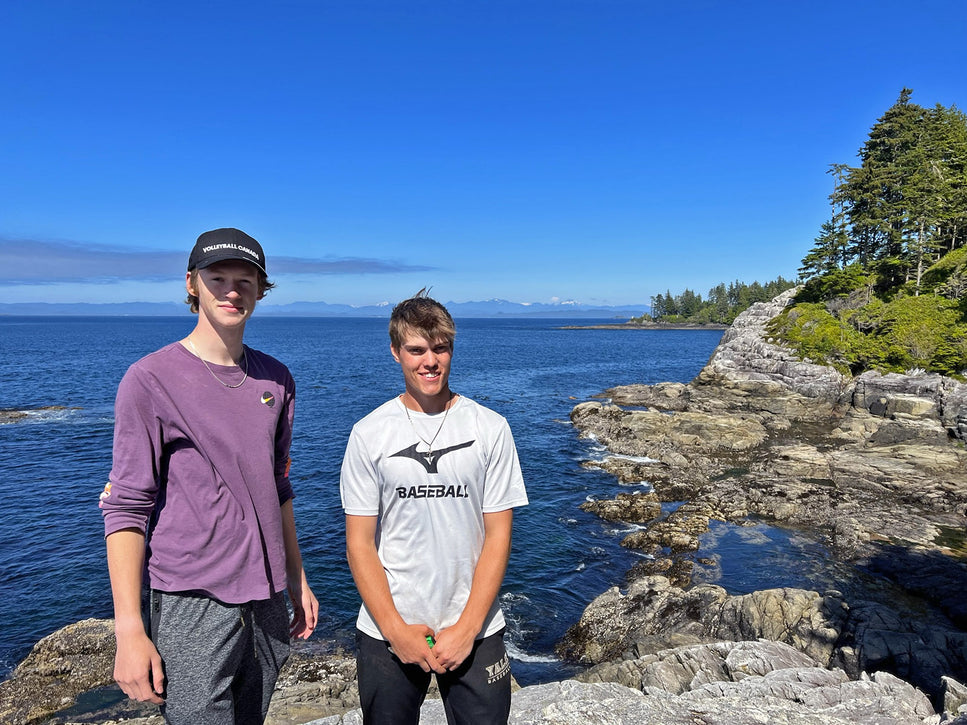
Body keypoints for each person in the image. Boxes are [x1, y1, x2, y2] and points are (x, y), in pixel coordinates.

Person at [99, 227, 318, 724]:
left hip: (265, 597)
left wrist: (296, 578)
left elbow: (277, 484)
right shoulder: (149, 379)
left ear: (262, 291)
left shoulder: (276, 379)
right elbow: (127, 506)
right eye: (217, 277)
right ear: (192, 284)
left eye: (245, 280)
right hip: (191, 597)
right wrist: (130, 630)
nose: (232, 290)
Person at [340, 290, 528, 725]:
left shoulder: (490, 428)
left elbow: (499, 535)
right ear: (396, 352)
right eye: (416, 349)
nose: (429, 360)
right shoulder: (369, 434)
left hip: (476, 630)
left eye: (440, 348)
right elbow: (359, 543)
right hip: (389, 632)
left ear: (452, 349)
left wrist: (466, 629)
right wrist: (395, 631)